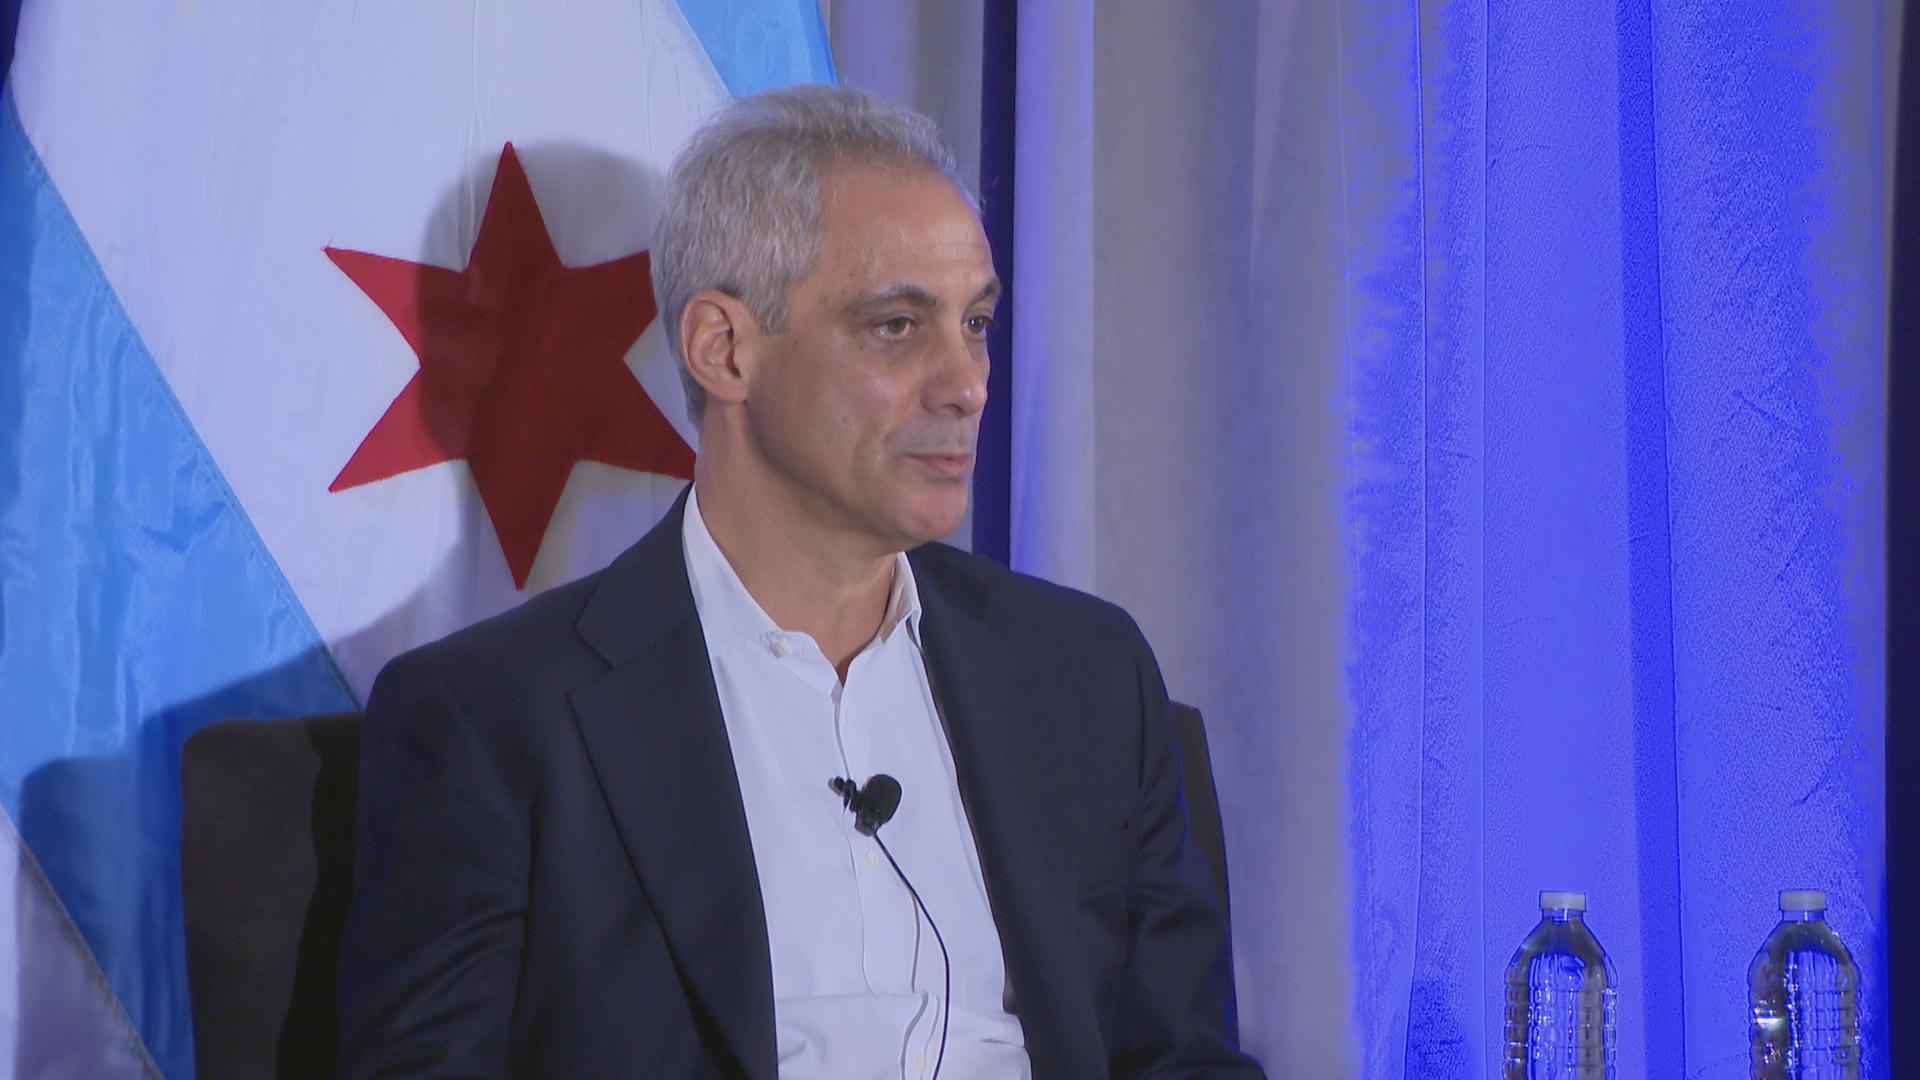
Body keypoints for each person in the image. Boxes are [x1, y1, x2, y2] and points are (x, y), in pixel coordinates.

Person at [335, 84, 1262, 1080]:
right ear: (724, 349)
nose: (967, 384)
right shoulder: (495, 718)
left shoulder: (1084, 672)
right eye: (898, 327)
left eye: (978, 324)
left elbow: (1183, 1061)